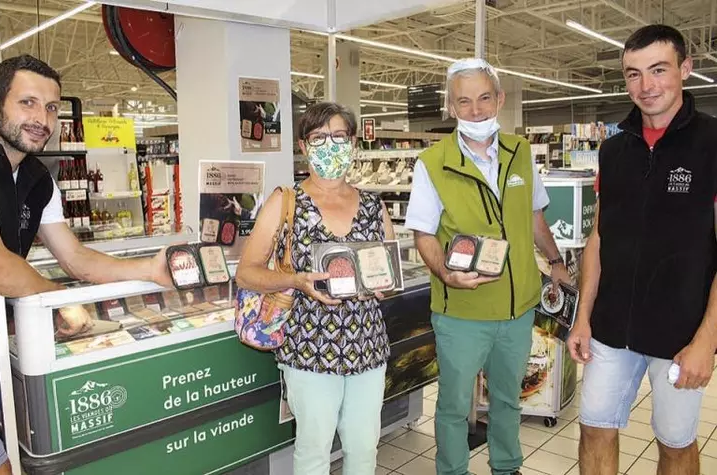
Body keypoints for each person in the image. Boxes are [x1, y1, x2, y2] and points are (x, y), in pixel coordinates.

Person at [0, 54, 172, 475]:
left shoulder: (39, 179)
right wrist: (59, 299)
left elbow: (76, 257)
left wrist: (148, 270)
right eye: (27, 103)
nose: (41, 118)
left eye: (50, 107)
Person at [404, 58, 571, 475]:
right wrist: (445, 273)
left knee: (507, 399)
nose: (475, 111)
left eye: (483, 98)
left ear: (498, 99)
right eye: (464, 102)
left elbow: (534, 218)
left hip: (517, 309)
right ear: (451, 106)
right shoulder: (431, 163)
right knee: (455, 405)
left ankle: (506, 467)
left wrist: (555, 261)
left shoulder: (521, 152)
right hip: (462, 310)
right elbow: (423, 234)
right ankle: (453, 470)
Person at [567, 24, 717, 475]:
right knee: (594, 427)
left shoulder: (712, 144)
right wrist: (583, 316)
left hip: (680, 332)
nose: (645, 86)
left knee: (675, 444)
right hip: (611, 328)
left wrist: (707, 341)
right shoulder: (613, 150)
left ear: (685, 69)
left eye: (658, 70)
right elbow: (599, 238)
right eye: (633, 74)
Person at [235, 102, 395, 475]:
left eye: (339, 137)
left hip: (367, 345)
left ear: (353, 143)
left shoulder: (374, 206)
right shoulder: (285, 201)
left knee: (363, 447)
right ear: (304, 147)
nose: (330, 146)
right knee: (313, 450)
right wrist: (296, 280)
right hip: (308, 346)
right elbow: (246, 273)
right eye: (319, 138)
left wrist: (382, 284)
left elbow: (385, 268)